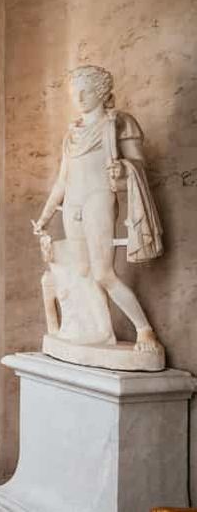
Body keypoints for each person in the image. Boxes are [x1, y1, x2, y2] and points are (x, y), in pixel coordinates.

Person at [32, 65, 163, 353]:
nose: (79, 98)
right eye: (74, 93)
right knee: (82, 272)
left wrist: (124, 170)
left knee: (103, 273)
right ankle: (97, 332)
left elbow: (138, 166)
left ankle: (144, 330)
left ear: (102, 92)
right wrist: (45, 216)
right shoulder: (72, 135)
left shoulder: (119, 124)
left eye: (86, 91)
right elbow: (62, 181)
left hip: (98, 198)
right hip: (72, 204)